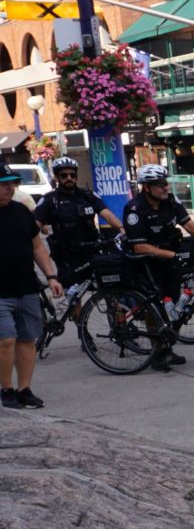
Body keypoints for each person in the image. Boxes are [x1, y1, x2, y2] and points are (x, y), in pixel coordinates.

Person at [121, 162, 194, 372]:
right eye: (159, 184)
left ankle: (167, 347)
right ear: (146, 187)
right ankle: (157, 353)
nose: (165, 187)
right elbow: (139, 246)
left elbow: (188, 223)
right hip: (146, 262)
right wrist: (170, 255)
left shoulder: (170, 202)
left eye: (165, 183)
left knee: (173, 306)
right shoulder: (135, 209)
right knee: (155, 309)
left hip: (168, 260)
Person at [0, 162, 63, 409]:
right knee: (6, 340)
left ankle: (24, 388)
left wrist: (51, 276)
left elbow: (37, 246)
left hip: (26, 286)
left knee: (27, 339)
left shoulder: (21, 211)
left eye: (11, 184)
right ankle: (6, 389)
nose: (9, 189)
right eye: (4, 185)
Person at [34, 156, 123, 311]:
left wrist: (122, 229)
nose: (69, 178)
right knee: (75, 302)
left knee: (112, 294)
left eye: (72, 175)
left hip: (94, 252)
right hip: (68, 258)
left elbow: (106, 213)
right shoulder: (50, 200)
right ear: (57, 177)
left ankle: (120, 330)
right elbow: (35, 223)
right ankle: (82, 329)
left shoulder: (88, 196)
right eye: (64, 175)